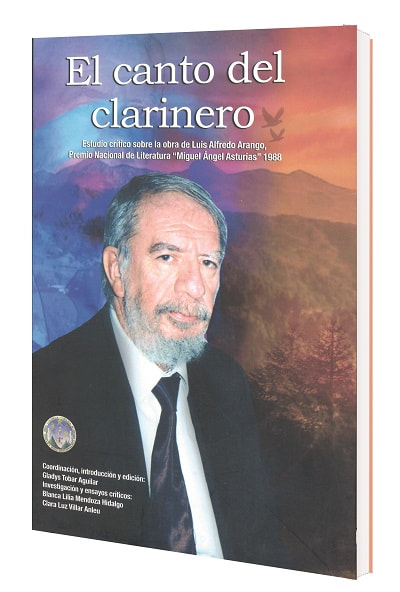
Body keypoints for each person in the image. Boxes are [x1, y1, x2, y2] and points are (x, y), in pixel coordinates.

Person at [33, 173, 287, 566]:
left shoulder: (228, 382)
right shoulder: (41, 387)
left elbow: (260, 539)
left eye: (208, 263)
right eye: (167, 257)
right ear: (117, 270)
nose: (195, 287)